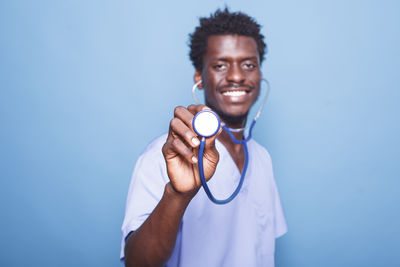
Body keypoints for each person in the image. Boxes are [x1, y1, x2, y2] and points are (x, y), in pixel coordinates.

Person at [121, 8, 287, 267]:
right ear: (199, 77)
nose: (236, 75)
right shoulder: (163, 156)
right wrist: (177, 194)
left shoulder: (262, 157)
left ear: (259, 74)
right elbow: (137, 263)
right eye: (220, 65)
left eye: (249, 64)